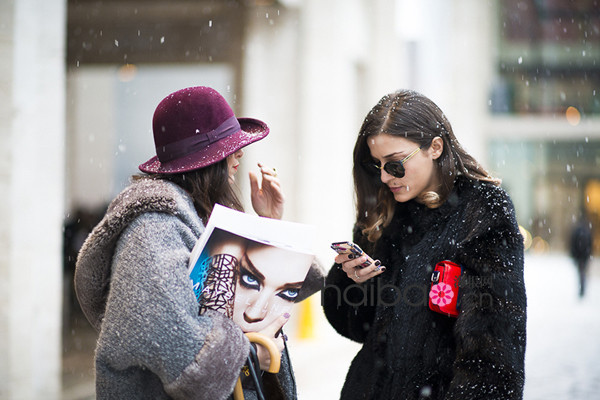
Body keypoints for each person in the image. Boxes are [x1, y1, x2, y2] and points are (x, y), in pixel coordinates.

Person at [74, 86, 323, 400]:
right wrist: (249, 354)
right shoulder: (152, 230)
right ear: (207, 158)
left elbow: (274, 291)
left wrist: (269, 225)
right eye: (231, 146)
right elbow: (184, 356)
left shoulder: (200, 214)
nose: (240, 154)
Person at [322, 89, 527, 399]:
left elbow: (493, 357)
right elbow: (357, 328)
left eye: (394, 163)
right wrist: (352, 282)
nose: (385, 177)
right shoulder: (384, 212)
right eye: (376, 165)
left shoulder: (483, 212)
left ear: (434, 147)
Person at [569, 215, 593, 297]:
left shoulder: (577, 231)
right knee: (583, 273)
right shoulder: (587, 231)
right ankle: (582, 288)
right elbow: (590, 243)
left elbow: (573, 244)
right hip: (584, 256)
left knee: (581, 273)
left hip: (580, 256)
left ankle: (582, 288)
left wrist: (574, 255)